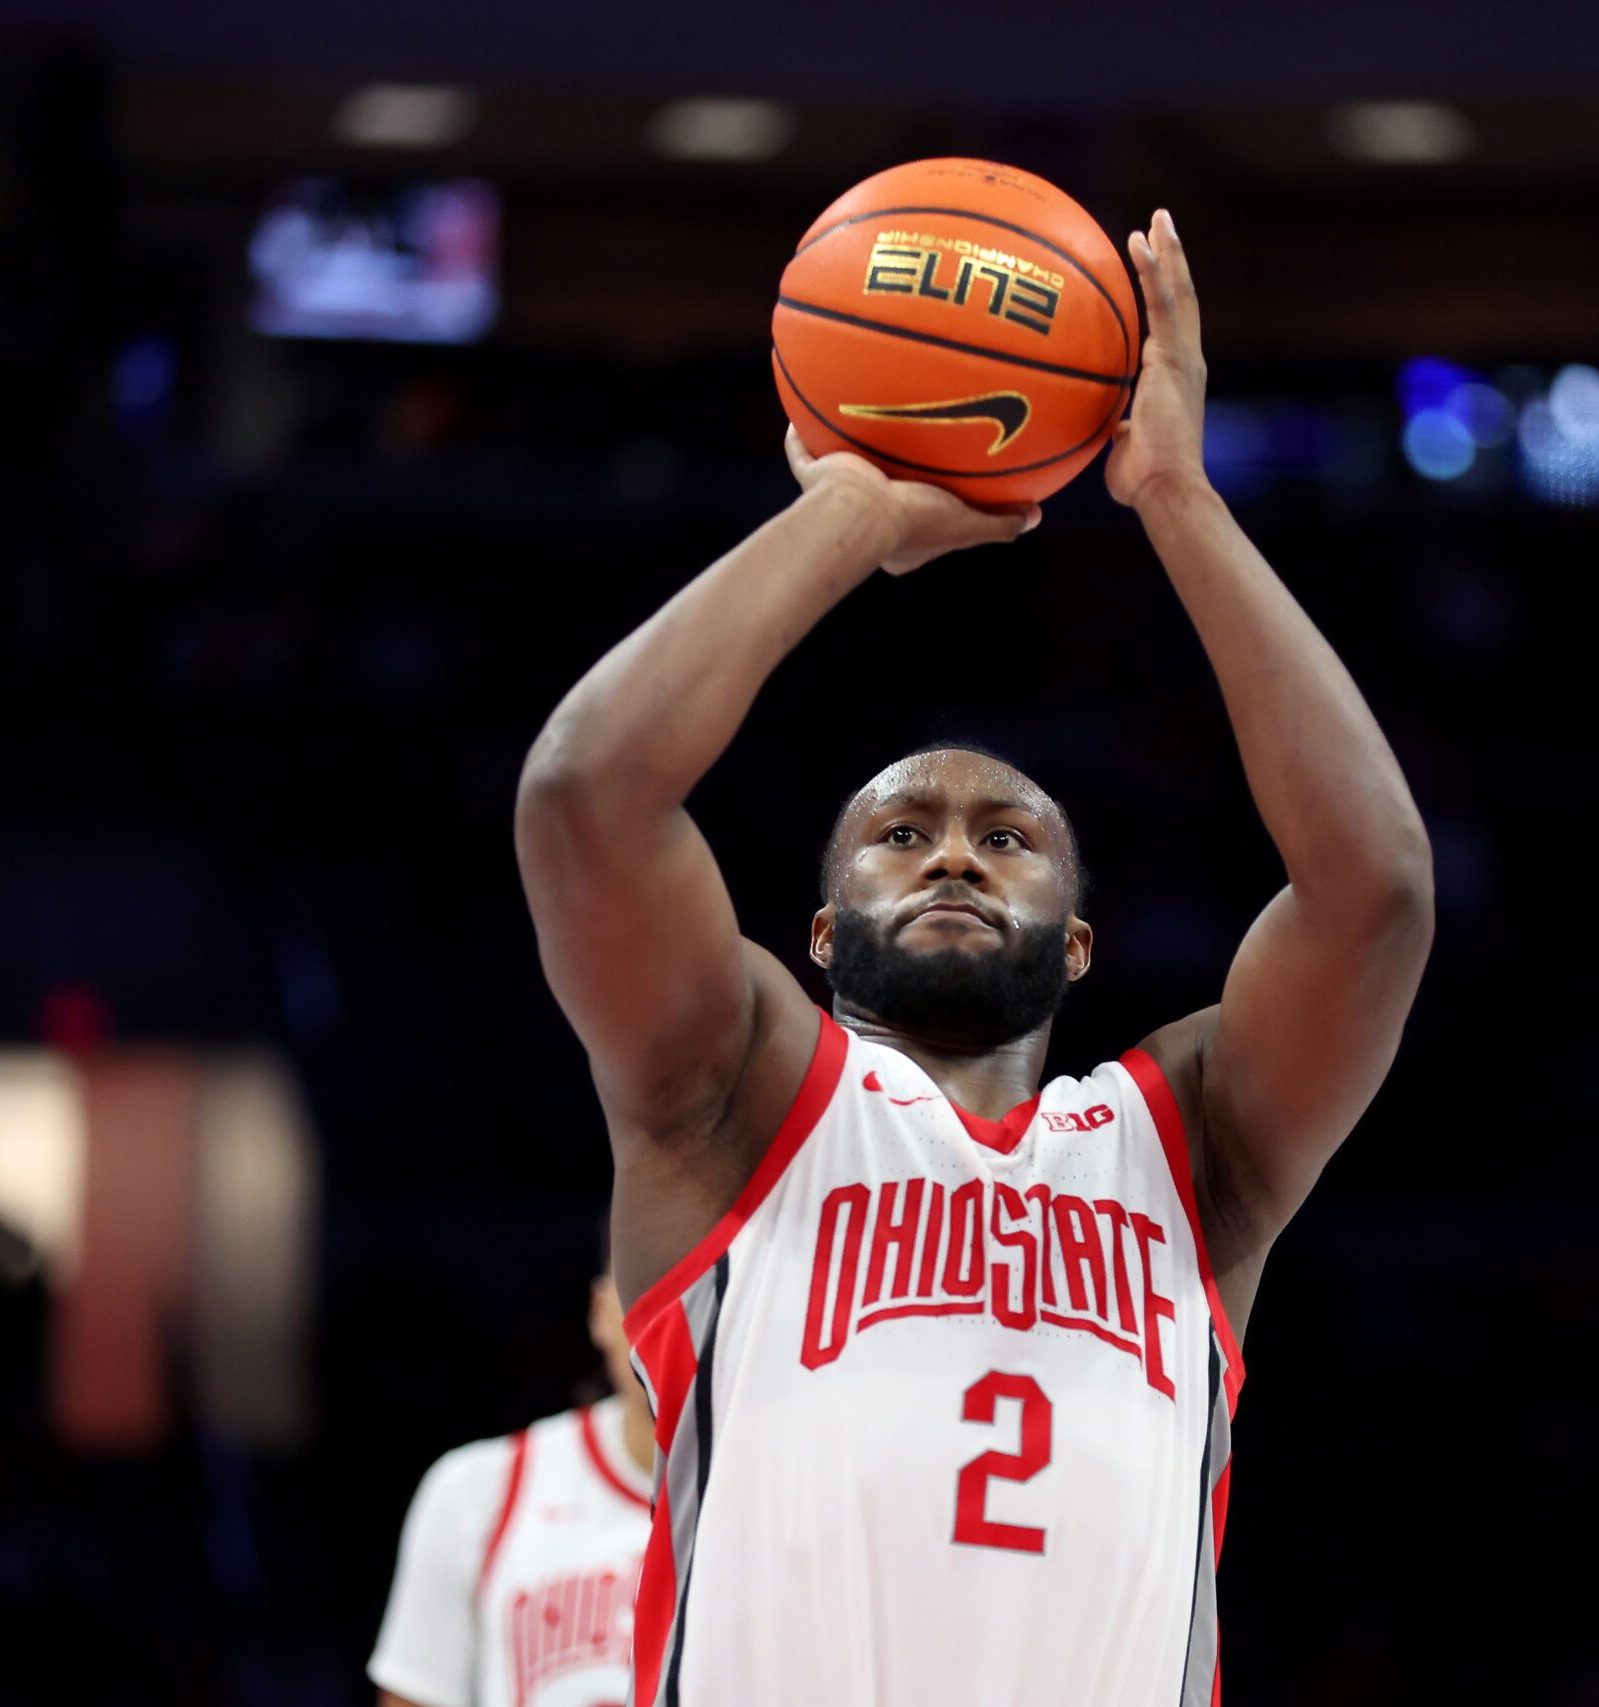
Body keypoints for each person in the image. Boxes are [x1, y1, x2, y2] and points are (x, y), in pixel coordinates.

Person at [515, 207, 1432, 1707]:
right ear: (816, 934)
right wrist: (855, 512)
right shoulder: (737, 1096)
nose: (952, 848)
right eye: (901, 832)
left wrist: (1181, 499)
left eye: (1009, 835)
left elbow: (1378, 890)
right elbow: (582, 795)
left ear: (1080, 941)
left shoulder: (1186, 1141)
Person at [370, 1269, 654, 1707]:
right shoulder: (477, 1491)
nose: (675, 1313)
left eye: (702, 1281)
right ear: (600, 1310)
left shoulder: (787, 1505)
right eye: (650, 1279)